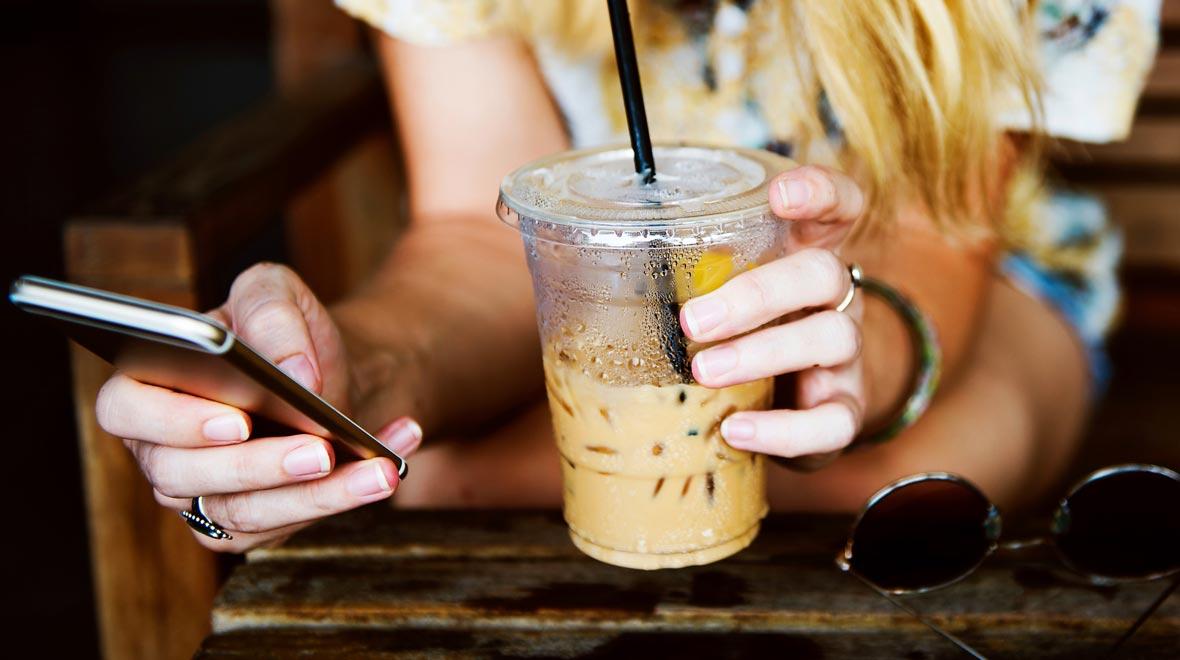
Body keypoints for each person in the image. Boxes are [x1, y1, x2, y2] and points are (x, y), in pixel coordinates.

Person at [95, 0, 1160, 552]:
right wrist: (355, 380)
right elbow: (477, 235)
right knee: (451, 468)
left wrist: (850, 358)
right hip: (589, 299)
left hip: (971, 284)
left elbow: (939, 236)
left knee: (912, 479)